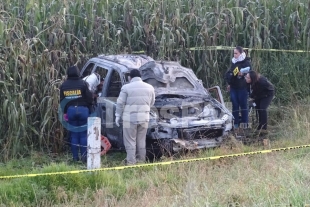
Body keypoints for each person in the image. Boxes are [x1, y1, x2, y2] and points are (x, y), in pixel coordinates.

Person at [115, 69, 155, 165]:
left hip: (130, 119)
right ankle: (141, 162)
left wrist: (117, 115)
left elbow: (120, 103)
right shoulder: (150, 87)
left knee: (130, 141)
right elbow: (152, 102)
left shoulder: (126, 88)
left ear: (130, 77)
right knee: (141, 141)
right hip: (144, 118)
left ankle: (131, 163)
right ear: (140, 77)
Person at [59, 65, 94, 162]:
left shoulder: (64, 85)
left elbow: (62, 101)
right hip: (83, 110)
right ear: (78, 73)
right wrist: (90, 106)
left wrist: (65, 112)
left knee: (74, 135)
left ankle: (75, 158)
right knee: (83, 134)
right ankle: (84, 157)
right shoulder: (83, 84)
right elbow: (89, 98)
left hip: (70, 111)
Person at [225, 46, 252, 130]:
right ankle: (235, 125)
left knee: (243, 106)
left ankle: (245, 125)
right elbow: (232, 74)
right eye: (234, 53)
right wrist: (229, 83)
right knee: (235, 106)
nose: (234, 55)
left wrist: (242, 74)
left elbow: (250, 74)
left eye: (236, 53)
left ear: (240, 53)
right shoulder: (233, 62)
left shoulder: (246, 62)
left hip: (242, 87)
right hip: (233, 87)